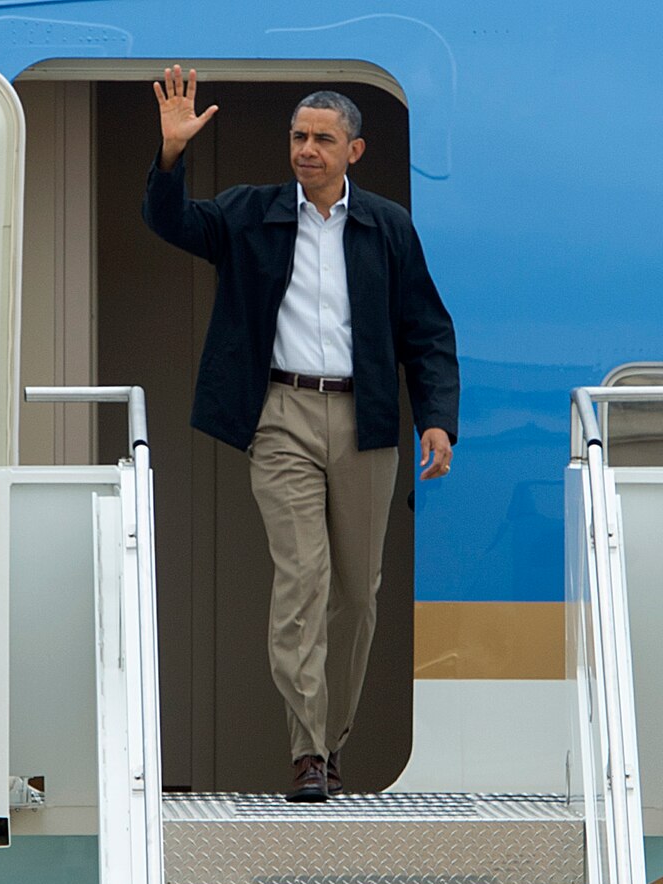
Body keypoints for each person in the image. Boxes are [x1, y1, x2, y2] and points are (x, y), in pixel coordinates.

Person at [143, 67, 459, 802]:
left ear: (355, 150)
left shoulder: (387, 226)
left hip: (365, 420)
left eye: (322, 139)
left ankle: (333, 734)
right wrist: (169, 157)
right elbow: (173, 223)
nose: (306, 149)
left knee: (358, 594)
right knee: (302, 580)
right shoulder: (250, 213)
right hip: (280, 415)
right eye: (298, 136)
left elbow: (428, 330)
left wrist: (437, 416)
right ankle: (308, 750)